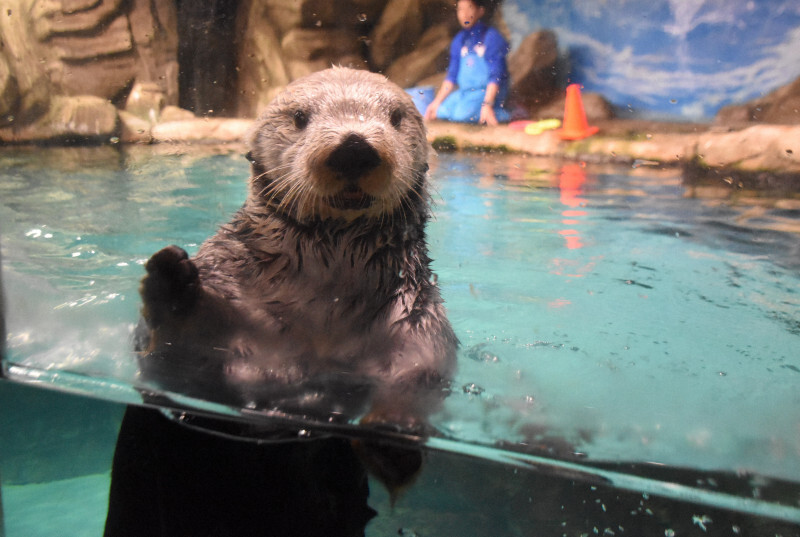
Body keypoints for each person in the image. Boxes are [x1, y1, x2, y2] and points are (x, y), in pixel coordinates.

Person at [424, 0, 510, 125]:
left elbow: (496, 76)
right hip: (465, 93)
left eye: (468, 8)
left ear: (480, 11)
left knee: (462, 116)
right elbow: (451, 77)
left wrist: (487, 104)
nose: (464, 13)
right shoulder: (459, 40)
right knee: (441, 112)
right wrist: (436, 102)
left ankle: (500, 113)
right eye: (460, 9)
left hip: (486, 93)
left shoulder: (491, 37)